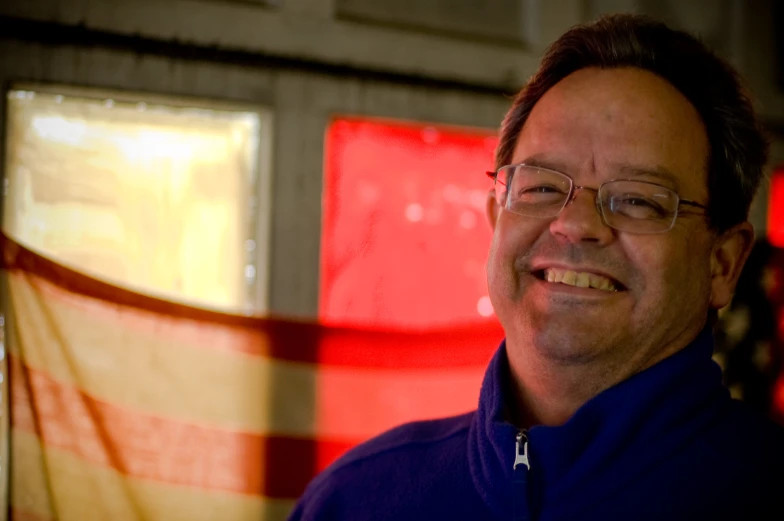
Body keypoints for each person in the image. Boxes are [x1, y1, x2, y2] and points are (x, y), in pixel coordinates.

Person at [288, 14, 784, 521]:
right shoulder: (356, 499)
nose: (575, 224)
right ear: (496, 220)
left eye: (638, 200)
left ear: (723, 263)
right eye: (543, 187)